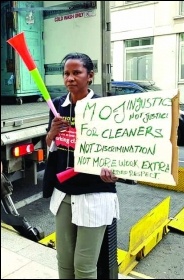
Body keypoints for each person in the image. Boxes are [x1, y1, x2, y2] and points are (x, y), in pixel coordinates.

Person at [43, 52, 120, 279]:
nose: (70, 78)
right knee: (64, 262)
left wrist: (114, 173)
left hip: (94, 196)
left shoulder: (104, 108)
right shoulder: (58, 106)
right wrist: (51, 135)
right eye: (66, 73)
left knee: (85, 267)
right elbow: (51, 147)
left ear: (90, 76)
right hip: (63, 194)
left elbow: (118, 149)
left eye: (77, 72)